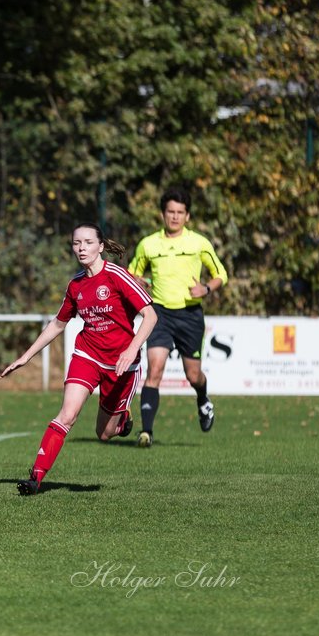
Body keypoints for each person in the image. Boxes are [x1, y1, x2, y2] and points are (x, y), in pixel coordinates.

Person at [1, 222, 157, 494]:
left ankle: (122, 419)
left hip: (122, 365)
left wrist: (132, 348)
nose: (81, 248)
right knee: (67, 414)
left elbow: (151, 316)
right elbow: (58, 325)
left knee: (104, 434)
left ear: (100, 246)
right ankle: (35, 478)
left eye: (87, 242)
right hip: (87, 354)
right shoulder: (76, 285)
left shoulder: (117, 276)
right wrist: (25, 356)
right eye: (76, 243)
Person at [126, 186, 227, 446]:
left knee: (193, 375)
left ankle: (203, 400)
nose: (175, 217)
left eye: (180, 212)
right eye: (170, 211)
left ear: (187, 216)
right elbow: (132, 273)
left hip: (190, 315)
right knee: (155, 369)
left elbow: (221, 275)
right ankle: (146, 432)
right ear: (162, 214)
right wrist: (142, 280)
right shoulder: (148, 244)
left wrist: (205, 289)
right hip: (158, 314)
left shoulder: (198, 243)